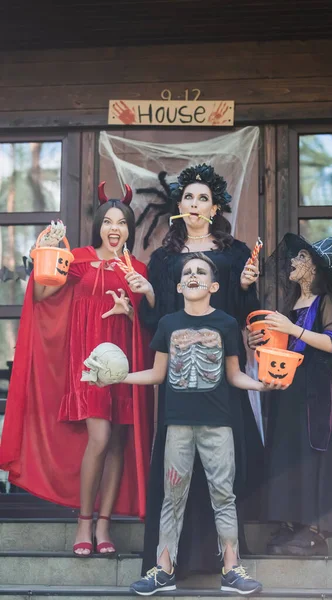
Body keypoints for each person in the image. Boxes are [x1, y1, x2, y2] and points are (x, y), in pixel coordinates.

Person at [0, 183, 154, 556]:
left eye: (122, 222)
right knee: (99, 438)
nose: (114, 228)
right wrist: (49, 252)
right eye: (108, 221)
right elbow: (40, 296)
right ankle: (84, 521)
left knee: (117, 441)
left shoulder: (138, 268)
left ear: (130, 229)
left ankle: (105, 525)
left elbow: (151, 322)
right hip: (87, 364)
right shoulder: (79, 259)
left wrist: (135, 307)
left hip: (126, 363)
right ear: (99, 225)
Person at [100, 253, 265, 595]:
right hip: (176, 425)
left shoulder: (227, 324)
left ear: (213, 285)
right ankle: (163, 570)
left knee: (223, 494)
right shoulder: (168, 324)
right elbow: (158, 374)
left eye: (200, 271)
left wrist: (264, 385)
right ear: (179, 285)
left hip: (219, 424)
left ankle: (232, 569)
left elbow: (234, 375)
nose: (193, 275)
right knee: (172, 497)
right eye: (187, 271)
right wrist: (118, 377)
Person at [136, 164, 264, 577]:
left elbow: (247, 316)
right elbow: (155, 322)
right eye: (188, 197)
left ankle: (229, 561)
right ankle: (168, 563)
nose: (194, 204)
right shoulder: (164, 258)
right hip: (178, 379)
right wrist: (148, 294)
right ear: (179, 206)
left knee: (222, 472)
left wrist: (245, 287)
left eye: (202, 198)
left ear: (214, 208)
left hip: (221, 372)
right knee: (176, 476)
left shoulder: (236, 254)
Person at [257, 223, 332, 556]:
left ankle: (313, 531)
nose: (292, 260)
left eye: (300, 256)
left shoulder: (326, 301)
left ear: (314, 267)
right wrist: (259, 339)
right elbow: (283, 342)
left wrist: (292, 328)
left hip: (311, 392)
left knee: (308, 454)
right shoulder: (292, 302)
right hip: (286, 389)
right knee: (285, 454)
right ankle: (290, 524)